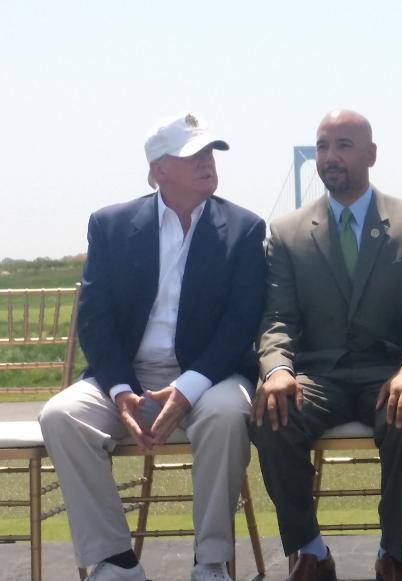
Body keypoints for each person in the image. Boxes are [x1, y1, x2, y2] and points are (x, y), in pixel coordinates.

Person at [39, 112, 266, 581]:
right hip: (127, 377)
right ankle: (117, 562)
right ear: (159, 169)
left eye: (210, 152)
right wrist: (120, 388)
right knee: (60, 416)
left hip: (210, 375)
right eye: (193, 154)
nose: (207, 162)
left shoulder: (245, 228)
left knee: (227, 415)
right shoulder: (110, 225)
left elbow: (241, 321)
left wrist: (186, 389)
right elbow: (96, 318)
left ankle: (211, 562)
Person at [252, 109, 402, 581]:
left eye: (343, 145)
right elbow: (277, 318)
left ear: (371, 154)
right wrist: (277, 369)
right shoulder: (286, 232)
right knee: (271, 414)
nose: (330, 157)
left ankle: (392, 551)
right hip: (317, 375)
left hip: (391, 372)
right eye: (322, 147)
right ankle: (311, 551)